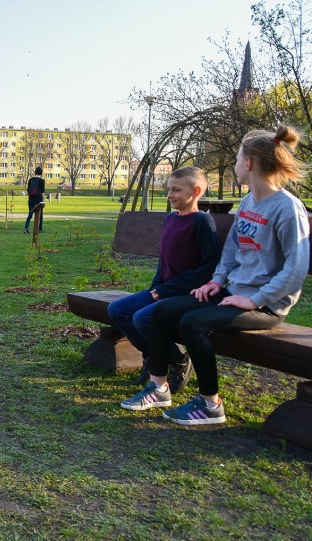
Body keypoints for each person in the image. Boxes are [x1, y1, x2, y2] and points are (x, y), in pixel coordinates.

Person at [121, 125, 310, 425]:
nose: (234, 166)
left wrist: (255, 300)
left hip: (265, 306)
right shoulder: (249, 203)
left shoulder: (287, 208)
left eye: (236, 160)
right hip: (232, 293)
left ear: (249, 164)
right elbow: (232, 250)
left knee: (193, 323)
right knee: (162, 312)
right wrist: (216, 281)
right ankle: (158, 389)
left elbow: (296, 267)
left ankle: (211, 405)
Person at [109, 167, 219, 393]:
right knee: (118, 310)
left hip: (186, 295)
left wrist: (165, 291)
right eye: (169, 189)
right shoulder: (170, 218)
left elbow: (207, 269)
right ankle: (153, 356)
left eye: (176, 190)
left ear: (196, 191)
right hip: (164, 290)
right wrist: (156, 288)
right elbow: (165, 260)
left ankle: (178, 361)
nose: (170, 194)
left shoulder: (202, 222)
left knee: (142, 319)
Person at [24, 166, 45, 233]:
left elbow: (28, 190)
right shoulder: (42, 180)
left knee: (30, 214)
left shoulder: (30, 180)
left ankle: (26, 228)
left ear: (35, 172)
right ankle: (39, 228)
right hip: (38, 199)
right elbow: (42, 191)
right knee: (40, 214)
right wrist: (43, 200)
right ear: (41, 173)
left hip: (31, 199)